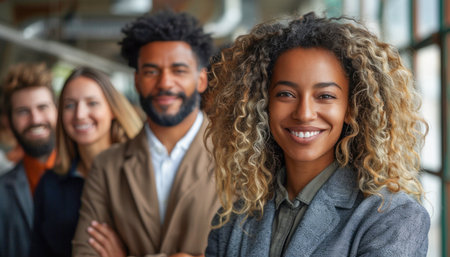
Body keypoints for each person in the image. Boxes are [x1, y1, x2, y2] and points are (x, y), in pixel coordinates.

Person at [204, 12, 430, 257]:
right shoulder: (235, 217)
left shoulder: (392, 217)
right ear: (263, 103)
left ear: (352, 108)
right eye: (286, 94)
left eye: (325, 96)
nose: (304, 113)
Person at [72, 10, 219, 257]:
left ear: (201, 79)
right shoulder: (107, 167)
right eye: (152, 71)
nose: (165, 83)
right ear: (137, 80)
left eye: (179, 70)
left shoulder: (237, 158)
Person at [30, 66, 143, 257]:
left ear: (113, 110)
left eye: (92, 103)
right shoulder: (50, 184)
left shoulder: (142, 172)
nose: (80, 114)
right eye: (69, 105)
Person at [0, 62, 58, 257]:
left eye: (43, 107)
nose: (35, 119)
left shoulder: (91, 176)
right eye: (23, 111)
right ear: (8, 121)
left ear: (57, 111)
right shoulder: (2, 192)